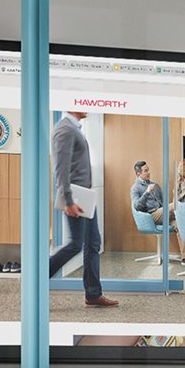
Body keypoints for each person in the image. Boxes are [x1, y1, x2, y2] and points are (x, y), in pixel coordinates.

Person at [49, 110, 117, 308]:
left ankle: (93, 294)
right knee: (76, 244)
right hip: (75, 196)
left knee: (93, 242)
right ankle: (34, 280)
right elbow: (60, 169)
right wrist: (68, 200)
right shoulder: (65, 129)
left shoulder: (74, 128)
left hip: (84, 196)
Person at [130, 161, 165, 225]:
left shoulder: (155, 185)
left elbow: (164, 202)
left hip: (162, 213)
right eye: (146, 171)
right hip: (151, 216)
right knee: (175, 206)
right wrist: (147, 192)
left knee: (178, 224)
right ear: (138, 174)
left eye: (148, 170)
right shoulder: (135, 188)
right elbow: (137, 207)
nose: (149, 172)